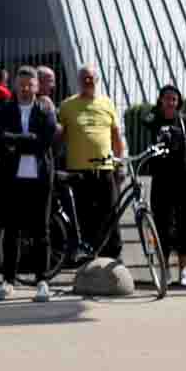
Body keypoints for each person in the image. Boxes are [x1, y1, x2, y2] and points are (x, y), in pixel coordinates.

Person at [0, 65, 58, 302]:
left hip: (40, 178)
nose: (26, 89)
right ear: (15, 86)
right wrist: (26, 139)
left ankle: (42, 281)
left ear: (37, 87)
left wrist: (14, 140)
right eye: (22, 84)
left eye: (30, 85)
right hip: (12, 179)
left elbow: (44, 142)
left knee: (41, 230)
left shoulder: (45, 110)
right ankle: (8, 282)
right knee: (11, 231)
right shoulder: (5, 111)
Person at [58, 64, 125, 261]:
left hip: (105, 168)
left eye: (91, 78)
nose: (87, 81)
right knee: (84, 215)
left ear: (97, 80)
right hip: (78, 170)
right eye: (84, 78)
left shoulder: (107, 103)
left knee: (111, 212)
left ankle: (113, 255)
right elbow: (60, 137)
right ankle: (86, 254)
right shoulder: (67, 105)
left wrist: (119, 166)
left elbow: (116, 137)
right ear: (79, 81)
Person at [141, 84, 186, 287]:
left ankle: (184, 270)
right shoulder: (155, 121)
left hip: (184, 181)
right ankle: (165, 269)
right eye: (166, 98)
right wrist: (158, 109)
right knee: (162, 225)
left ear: (179, 103)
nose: (170, 102)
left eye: (174, 99)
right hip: (162, 180)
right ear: (160, 101)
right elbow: (145, 117)